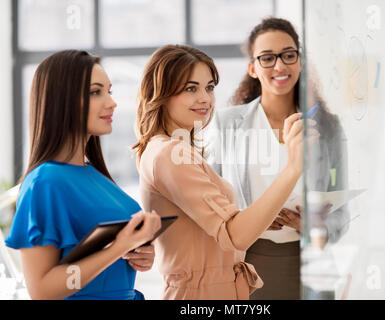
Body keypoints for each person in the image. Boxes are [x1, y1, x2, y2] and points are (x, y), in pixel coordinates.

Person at [133, 44, 319, 299]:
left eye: (209, 87)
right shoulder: (168, 154)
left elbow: (211, 232)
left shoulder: (176, 151)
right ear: (161, 94)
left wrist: (261, 220)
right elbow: (235, 235)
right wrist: (293, 167)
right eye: (191, 88)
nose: (205, 99)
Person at [206, 17, 350, 299]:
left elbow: (341, 212)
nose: (280, 66)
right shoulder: (227, 123)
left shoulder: (329, 127)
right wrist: (251, 218)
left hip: (310, 261)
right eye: (267, 58)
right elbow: (212, 199)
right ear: (253, 68)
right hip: (247, 260)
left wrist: (311, 224)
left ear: (300, 61)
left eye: (288, 55)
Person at [5, 50, 161, 300]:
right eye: (95, 92)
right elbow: (42, 291)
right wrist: (119, 246)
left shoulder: (96, 177)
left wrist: (137, 253)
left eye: (109, 91)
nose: (112, 103)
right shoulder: (45, 182)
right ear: (61, 100)